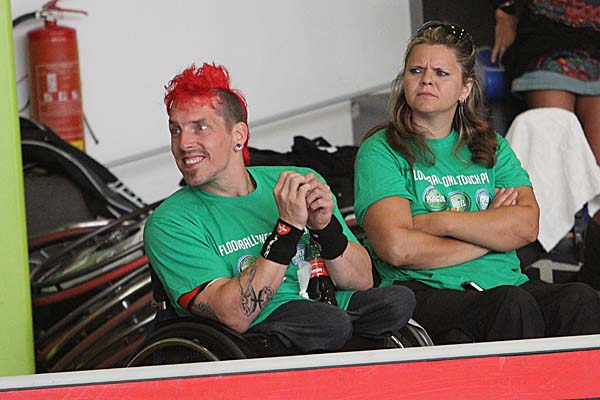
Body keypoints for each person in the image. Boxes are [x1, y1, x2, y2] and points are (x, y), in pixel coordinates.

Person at [143, 62, 416, 356]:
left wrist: (325, 227)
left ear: (238, 135)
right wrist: (287, 229)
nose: (184, 143)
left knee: (397, 302)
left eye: (200, 127)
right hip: (252, 329)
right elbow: (233, 315)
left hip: (321, 307)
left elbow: (362, 282)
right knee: (328, 325)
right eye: (175, 130)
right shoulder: (170, 222)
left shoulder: (295, 179)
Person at [353, 21, 600, 344]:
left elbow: (527, 226)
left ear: (465, 89)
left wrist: (439, 222)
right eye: (416, 71)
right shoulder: (381, 149)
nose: (426, 79)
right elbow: (398, 248)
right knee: (511, 305)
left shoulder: (490, 145)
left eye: (441, 73)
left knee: (580, 299)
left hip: (505, 284)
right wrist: (490, 234)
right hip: (425, 290)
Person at [490, 0, 600, 287]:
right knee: (553, 133)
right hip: (546, 34)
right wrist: (505, 10)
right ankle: (560, 251)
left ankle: (592, 271)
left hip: (596, 35)